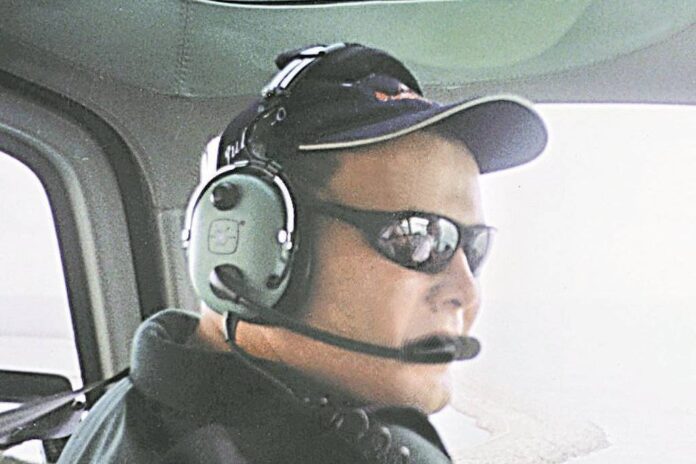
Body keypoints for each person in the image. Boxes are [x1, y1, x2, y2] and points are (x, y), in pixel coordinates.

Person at [57, 43, 547, 463]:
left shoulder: (150, 404)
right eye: (417, 237)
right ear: (255, 245)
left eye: (473, 246)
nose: (466, 293)